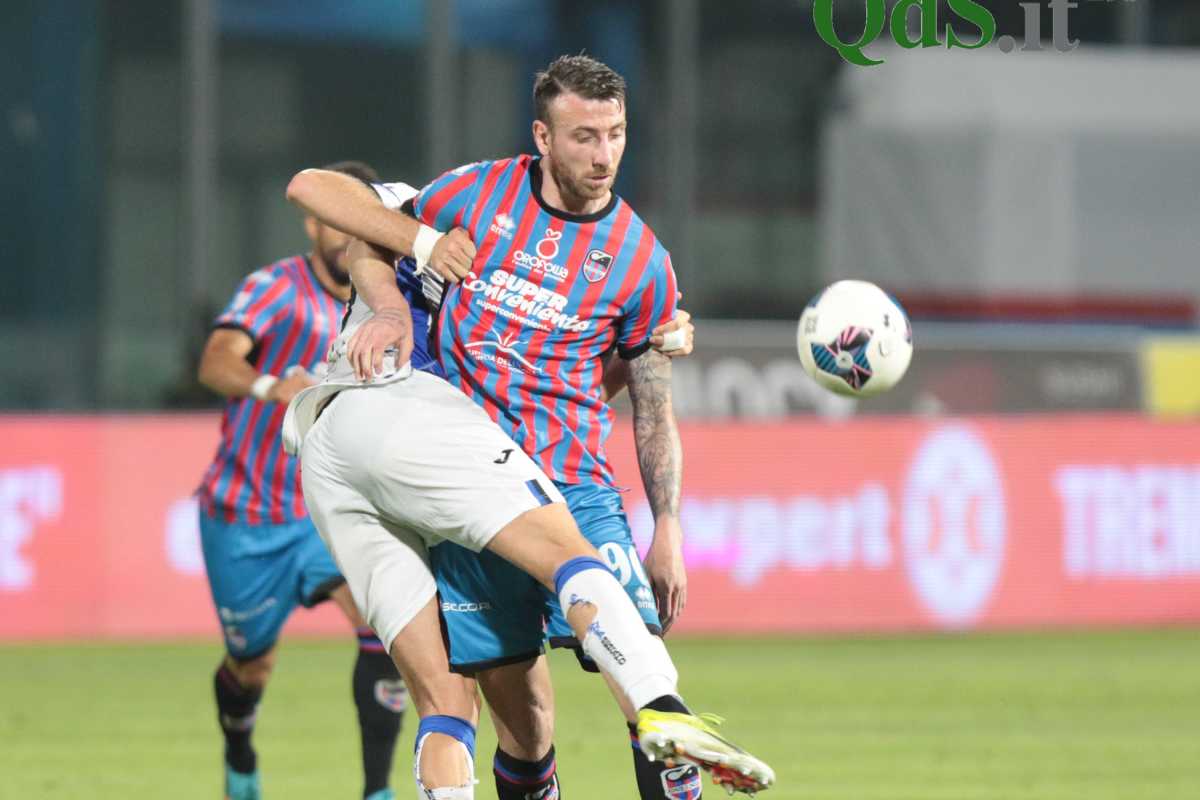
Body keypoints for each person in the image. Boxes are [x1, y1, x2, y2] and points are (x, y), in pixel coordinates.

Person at [284, 54, 768, 797]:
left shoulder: (641, 261)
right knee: (528, 725)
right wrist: (402, 283)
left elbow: (641, 399)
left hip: (566, 480)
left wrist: (667, 525)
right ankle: (661, 712)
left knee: (620, 673)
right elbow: (354, 227)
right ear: (543, 137)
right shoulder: (467, 198)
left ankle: (664, 714)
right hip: (464, 480)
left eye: (616, 134)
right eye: (584, 137)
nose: (603, 155)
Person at [195, 161, 407, 800]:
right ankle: (239, 747)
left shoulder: (395, 300)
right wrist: (270, 385)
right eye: (336, 219)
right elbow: (215, 361)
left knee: (386, 629)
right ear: (313, 223)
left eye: (360, 219)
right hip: (248, 515)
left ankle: (378, 790)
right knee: (251, 666)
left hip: (333, 509)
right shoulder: (276, 290)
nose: (348, 233)